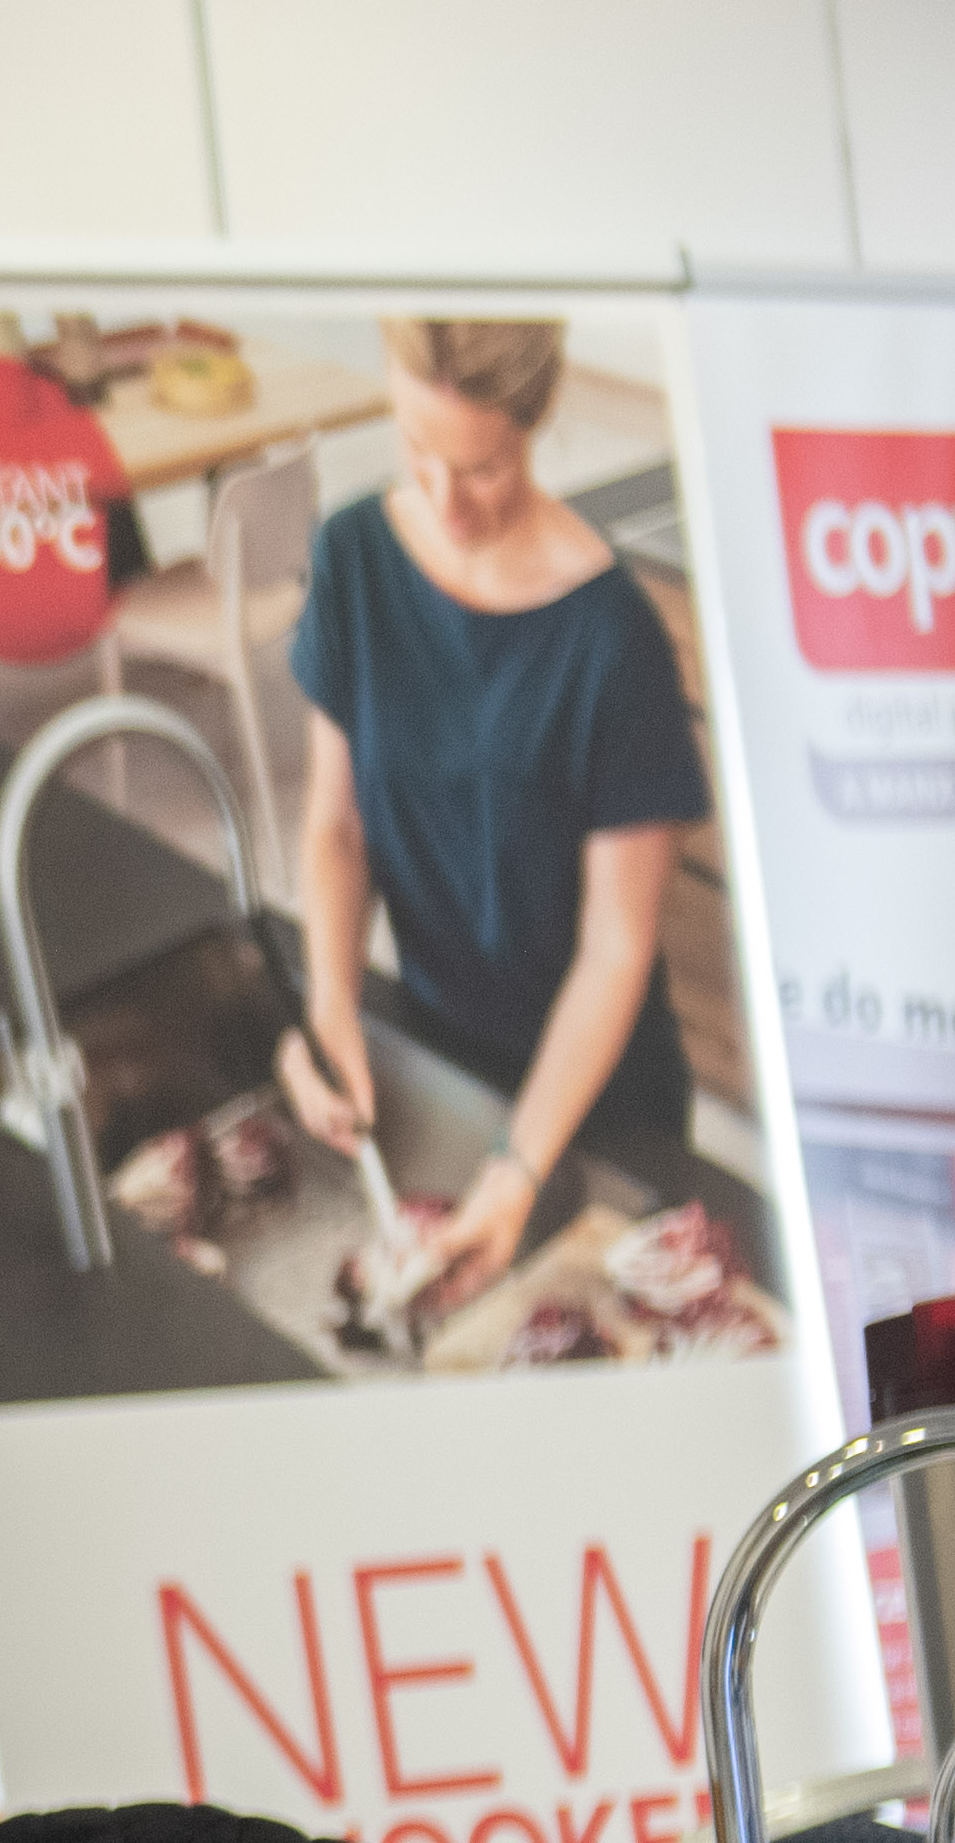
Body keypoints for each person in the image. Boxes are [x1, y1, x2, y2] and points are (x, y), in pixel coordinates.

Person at [272, 316, 713, 1303]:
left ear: (534, 422)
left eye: (481, 468)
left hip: (602, 1103)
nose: (445, 499)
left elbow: (615, 950)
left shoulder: (612, 641)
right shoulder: (353, 558)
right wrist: (330, 1005)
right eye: (416, 450)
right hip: (442, 1059)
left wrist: (519, 1166)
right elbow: (337, 826)